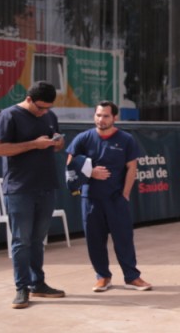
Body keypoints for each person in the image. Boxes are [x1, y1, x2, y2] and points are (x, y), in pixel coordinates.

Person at [0, 81, 67, 309]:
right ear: (29, 99)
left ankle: (38, 284)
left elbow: (55, 146)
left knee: (37, 240)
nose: (44, 112)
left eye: (48, 108)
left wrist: (57, 143)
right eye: (40, 107)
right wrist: (34, 144)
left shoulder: (49, 116)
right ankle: (21, 288)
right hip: (20, 188)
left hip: (46, 185)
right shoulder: (8, 116)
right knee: (21, 241)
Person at [66, 101, 152, 292]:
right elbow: (70, 163)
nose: (101, 119)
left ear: (115, 117)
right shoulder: (83, 138)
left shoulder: (126, 139)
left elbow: (132, 168)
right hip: (90, 199)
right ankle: (103, 277)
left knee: (124, 239)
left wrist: (125, 194)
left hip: (116, 199)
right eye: (98, 115)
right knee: (95, 240)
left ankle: (132, 277)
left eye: (105, 116)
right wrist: (90, 172)